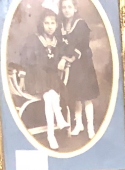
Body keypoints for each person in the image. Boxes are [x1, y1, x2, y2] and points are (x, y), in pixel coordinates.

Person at [23, 11, 69, 149]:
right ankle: (59, 119)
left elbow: (67, 54)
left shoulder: (58, 42)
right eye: (47, 23)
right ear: (42, 24)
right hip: (35, 78)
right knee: (51, 94)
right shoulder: (34, 39)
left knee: (50, 97)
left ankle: (51, 135)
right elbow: (29, 61)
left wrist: (63, 58)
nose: (50, 26)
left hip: (51, 79)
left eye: (53, 23)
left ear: (57, 25)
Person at [59, 0, 100, 140]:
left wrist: (68, 57)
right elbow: (62, 45)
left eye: (69, 7)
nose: (66, 10)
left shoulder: (81, 24)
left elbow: (82, 45)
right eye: (64, 7)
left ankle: (90, 127)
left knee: (86, 97)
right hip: (73, 67)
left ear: (75, 8)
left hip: (83, 65)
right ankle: (79, 124)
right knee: (76, 96)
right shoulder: (62, 26)